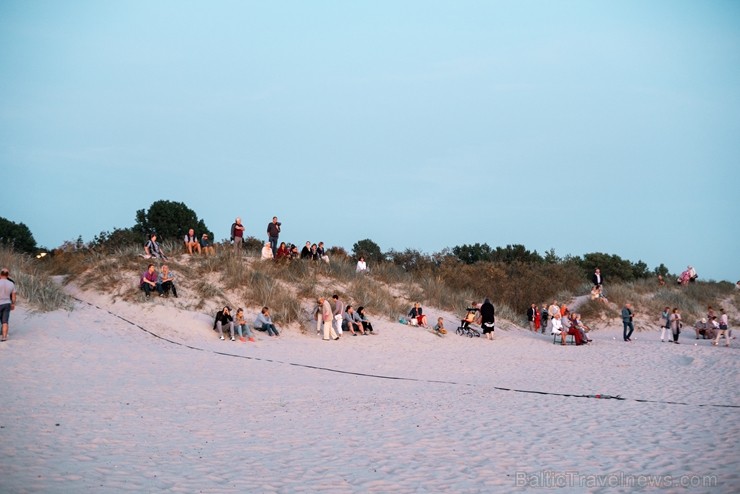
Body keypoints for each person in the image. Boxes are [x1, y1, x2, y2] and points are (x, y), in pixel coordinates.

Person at [0, 268, 17, 342]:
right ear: (7, 275)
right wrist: (13, 304)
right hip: (7, 303)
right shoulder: (11, 283)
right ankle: (4, 337)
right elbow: (13, 296)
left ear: (0, 275)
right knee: (5, 321)